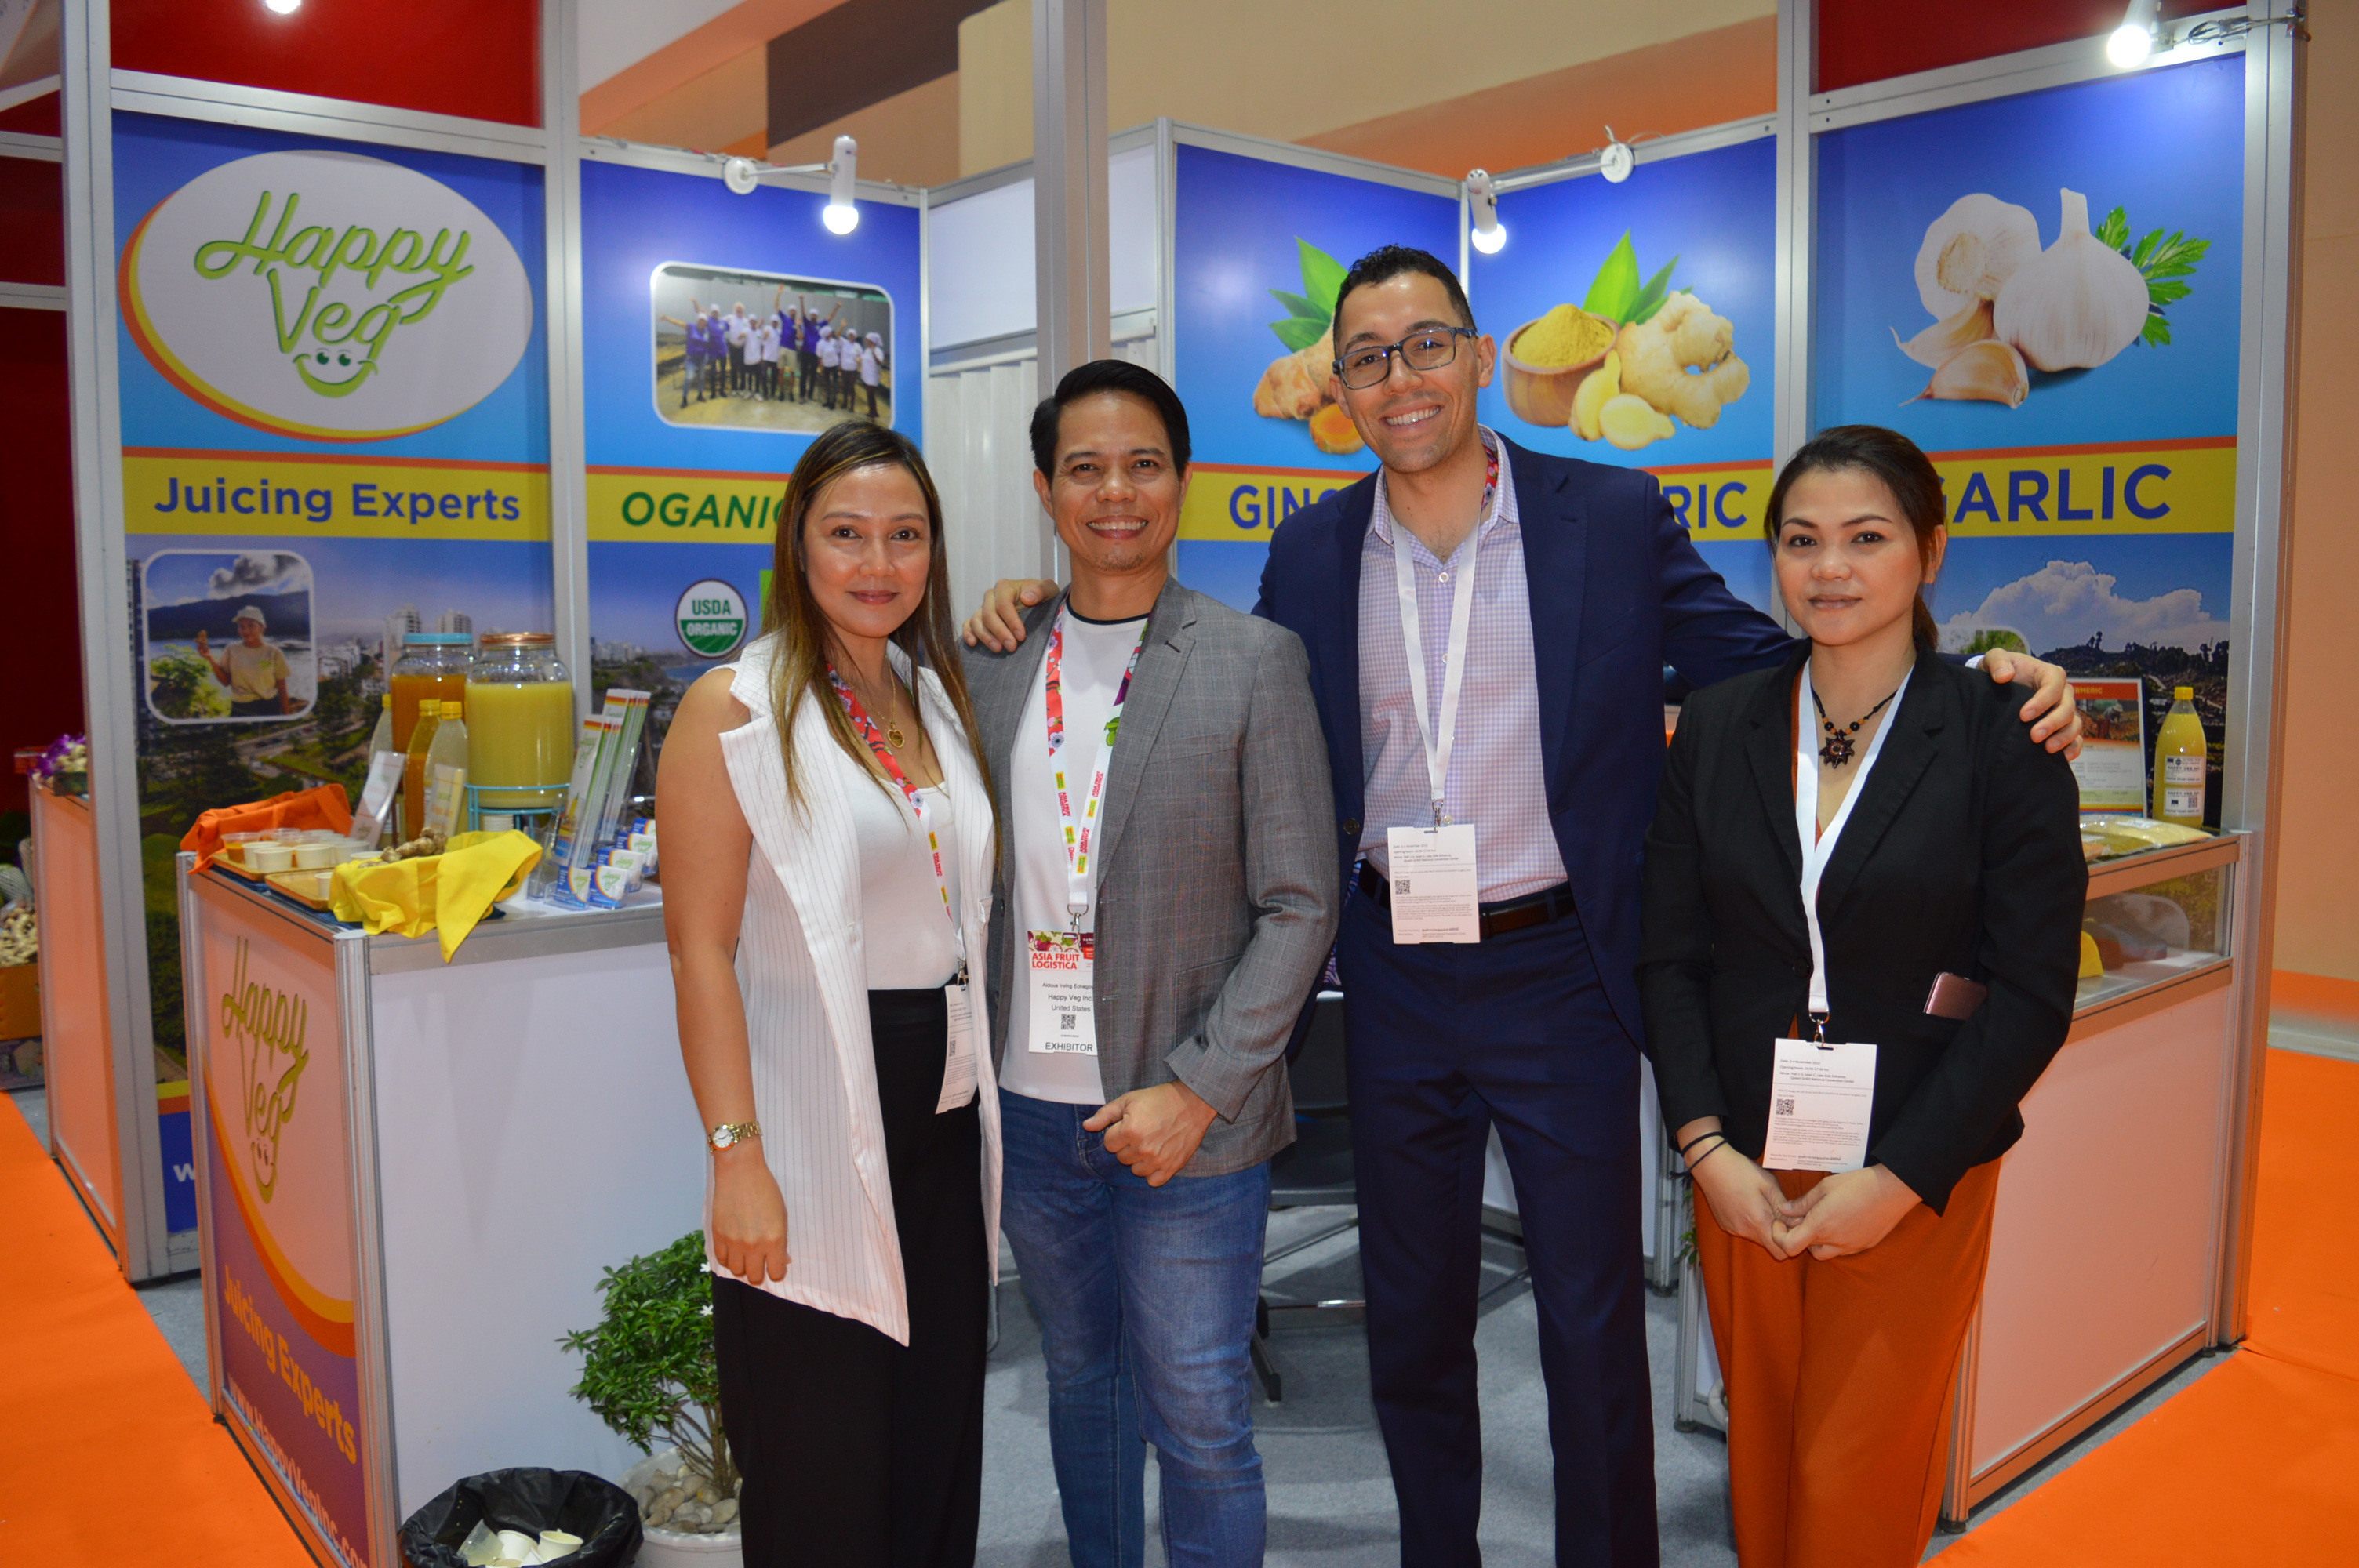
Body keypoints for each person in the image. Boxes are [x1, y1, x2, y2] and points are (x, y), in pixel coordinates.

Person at [963, 247, 2083, 1566]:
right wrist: (1046, 616)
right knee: (1414, 1317)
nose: (1401, 378)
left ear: (1481, 357)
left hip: (1562, 972)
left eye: (1426, 345)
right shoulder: (1312, 549)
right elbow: (1214, 685)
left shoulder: (1605, 514)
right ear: (1341, 388)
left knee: (1591, 1321)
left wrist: (1982, 682)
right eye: (1367, 357)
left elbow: (1771, 658)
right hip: (1390, 972)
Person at [1640, 424, 2086, 1566]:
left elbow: (2032, 992)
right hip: (1746, 1154)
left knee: (1855, 1469)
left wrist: (1897, 1180)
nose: (1829, 568)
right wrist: (1703, 1147)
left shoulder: (2001, 731)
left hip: (1918, 1157)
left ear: (1929, 552)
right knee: (1764, 1446)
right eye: (1800, 541)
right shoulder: (1720, 725)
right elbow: (1670, 957)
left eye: (1866, 537)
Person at [963, 359, 1337, 1568]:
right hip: (1033, 1113)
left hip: (1190, 1119)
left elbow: (1301, 904)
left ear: (1183, 481)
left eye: (1143, 466)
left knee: (1201, 1416)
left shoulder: (1253, 660)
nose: (1115, 493)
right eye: (1085, 469)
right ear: (1044, 488)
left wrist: (1199, 1088)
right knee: (1082, 1383)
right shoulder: (990, 661)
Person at [658, 419, 1002, 1566]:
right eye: (847, 533)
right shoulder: (735, 708)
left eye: (906, 535)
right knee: (825, 1471)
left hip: (943, 1117)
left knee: (934, 1450)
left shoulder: (931, 691)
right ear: (797, 544)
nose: (878, 562)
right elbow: (699, 951)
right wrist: (736, 1158)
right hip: (810, 1125)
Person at [196, 605, 293, 717]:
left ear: (262, 627)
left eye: (251, 625)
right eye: (242, 626)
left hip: (269, 707)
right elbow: (226, 682)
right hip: (240, 708)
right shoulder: (231, 649)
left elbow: (282, 688)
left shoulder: (274, 652)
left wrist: (287, 717)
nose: (246, 630)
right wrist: (210, 658)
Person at [860, 331, 887, 421]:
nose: (866, 341)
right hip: (866, 376)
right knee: (869, 395)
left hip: (873, 377)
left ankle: (874, 414)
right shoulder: (867, 350)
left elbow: (879, 362)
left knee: (871, 395)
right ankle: (872, 412)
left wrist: (874, 352)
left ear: (872, 341)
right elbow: (863, 358)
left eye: (867, 340)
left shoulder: (878, 351)